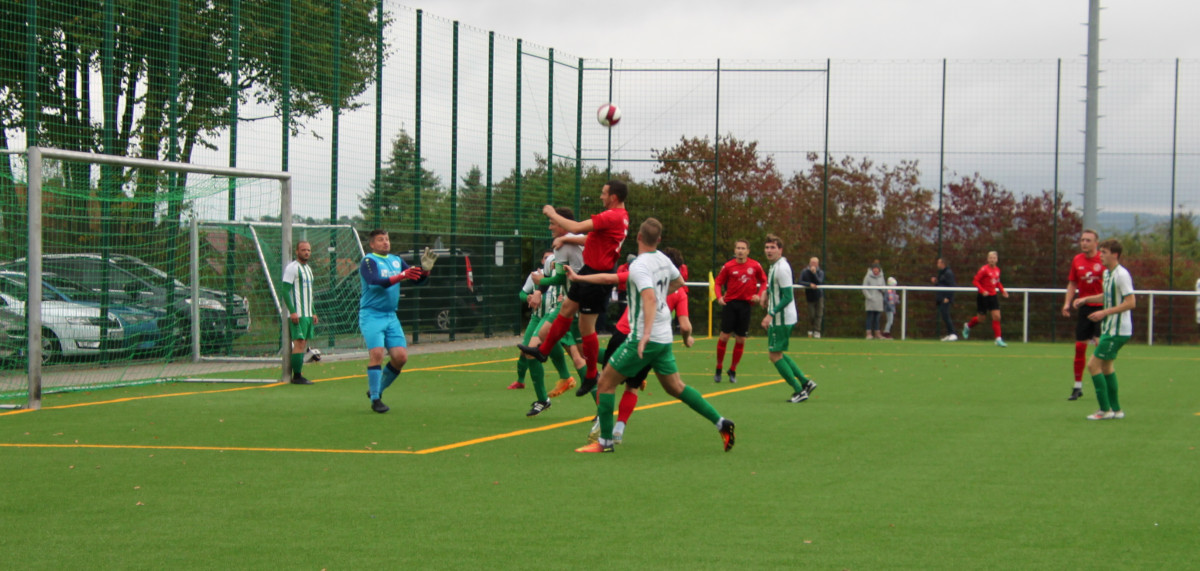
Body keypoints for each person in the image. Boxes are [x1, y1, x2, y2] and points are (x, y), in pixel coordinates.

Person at [573, 218, 734, 453]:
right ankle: (722, 423)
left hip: (643, 338)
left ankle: (605, 442)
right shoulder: (663, 260)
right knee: (675, 387)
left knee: (605, 383)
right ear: (658, 240)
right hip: (663, 336)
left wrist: (645, 332)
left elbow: (648, 298)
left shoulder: (639, 265)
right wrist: (579, 278)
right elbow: (679, 281)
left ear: (638, 237)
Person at [518, 180, 630, 398]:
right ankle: (543, 351)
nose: (601, 196)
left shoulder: (612, 216)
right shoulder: (620, 218)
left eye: (604, 193)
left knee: (585, 328)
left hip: (596, 277)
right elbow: (590, 237)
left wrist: (552, 213)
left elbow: (577, 227)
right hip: (588, 271)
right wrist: (566, 237)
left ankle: (591, 375)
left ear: (614, 197)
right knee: (567, 308)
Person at [580, 247, 693, 445]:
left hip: (625, 332)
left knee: (606, 383)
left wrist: (580, 278)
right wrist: (687, 339)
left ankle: (600, 422)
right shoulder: (678, 292)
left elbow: (610, 278)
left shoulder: (643, 274)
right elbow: (684, 325)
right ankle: (619, 429)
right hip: (650, 343)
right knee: (632, 388)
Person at [358, 230, 436, 413]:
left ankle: (376, 390)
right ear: (372, 244)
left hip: (390, 316)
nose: (385, 242)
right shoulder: (368, 261)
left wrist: (425, 271)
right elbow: (375, 282)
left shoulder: (396, 259)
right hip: (372, 315)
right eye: (380, 240)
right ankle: (376, 400)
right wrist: (402, 275)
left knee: (400, 357)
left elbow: (416, 280)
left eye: (387, 239)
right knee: (377, 354)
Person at [519, 208, 587, 416]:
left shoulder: (564, 244)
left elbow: (557, 279)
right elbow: (540, 284)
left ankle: (574, 380)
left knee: (582, 356)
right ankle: (543, 398)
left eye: (552, 222)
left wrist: (542, 282)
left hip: (574, 302)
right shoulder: (573, 241)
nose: (549, 227)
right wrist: (537, 291)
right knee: (534, 348)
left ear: (563, 222)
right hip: (565, 305)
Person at [1072, 239, 1135, 421]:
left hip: (1118, 331)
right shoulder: (1108, 273)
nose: (1101, 255)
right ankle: (1116, 410)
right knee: (1106, 366)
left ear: (1115, 254)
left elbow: (1131, 302)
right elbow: (1108, 296)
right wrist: (1086, 299)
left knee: (1093, 365)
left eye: (1104, 252)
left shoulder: (1122, 275)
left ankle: (1104, 410)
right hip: (1110, 328)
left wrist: (1104, 312)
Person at [761, 234, 818, 403]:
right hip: (779, 317)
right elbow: (773, 286)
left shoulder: (782, 268)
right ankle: (806, 382)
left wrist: (770, 314)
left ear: (780, 250)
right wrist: (765, 292)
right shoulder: (774, 266)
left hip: (781, 318)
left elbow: (787, 296)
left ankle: (799, 390)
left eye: (773, 247)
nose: (769, 251)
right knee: (777, 353)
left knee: (774, 355)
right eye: (767, 247)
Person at [713, 239, 767, 383]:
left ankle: (733, 370)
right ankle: (718, 368)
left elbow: (764, 281)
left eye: (743, 248)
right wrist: (719, 297)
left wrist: (759, 294)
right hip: (730, 304)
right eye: (738, 248)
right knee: (724, 337)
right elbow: (718, 282)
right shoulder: (728, 266)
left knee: (741, 339)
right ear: (735, 250)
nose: (740, 250)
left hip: (745, 306)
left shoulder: (755, 265)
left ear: (748, 251)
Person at [1060, 229, 1103, 401]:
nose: (1084, 243)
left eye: (1088, 240)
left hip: (1102, 308)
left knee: (1100, 346)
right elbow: (1072, 283)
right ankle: (1077, 386)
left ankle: (1103, 384)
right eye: (1082, 240)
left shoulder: (1103, 260)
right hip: (1084, 310)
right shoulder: (1077, 260)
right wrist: (1067, 303)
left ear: (1096, 243)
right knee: (1079, 347)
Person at [281, 240, 318, 384]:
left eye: (308, 250)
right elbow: (284, 290)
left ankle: (298, 374)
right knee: (299, 343)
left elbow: (310, 293)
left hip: (308, 314)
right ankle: (297, 376)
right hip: (298, 314)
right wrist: (292, 311)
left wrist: (313, 312)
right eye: (303, 250)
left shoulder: (308, 269)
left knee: (304, 344)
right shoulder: (292, 268)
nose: (306, 252)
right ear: (297, 251)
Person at [962, 251, 1009, 347]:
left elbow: (997, 282)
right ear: (988, 259)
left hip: (993, 296)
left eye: (994, 258)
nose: (992, 260)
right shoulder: (984, 269)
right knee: (981, 319)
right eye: (990, 258)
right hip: (983, 297)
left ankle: (998, 339)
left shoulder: (997, 270)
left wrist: (1002, 290)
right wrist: (982, 290)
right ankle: (968, 326)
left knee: (997, 316)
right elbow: (975, 281)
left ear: (997, 259)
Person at [797, 257, 825, 338]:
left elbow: (819, 281)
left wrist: (814, 273)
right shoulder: (804, 271)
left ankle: (817, 331)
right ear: (809, 263)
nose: (813, 264)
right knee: (811, 315)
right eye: (812, 262)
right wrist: (809, 285)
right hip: (809, 296)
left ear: (818, 264)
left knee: (819, 314)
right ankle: (810, 330)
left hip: (819, 296)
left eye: (815, 263)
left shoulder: (820, 272)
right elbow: (800, 281)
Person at [931, 258, 957, 341]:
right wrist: (936, 282)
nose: (937, 264)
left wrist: (948, 298)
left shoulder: (948, 273)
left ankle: (953, 333)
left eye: (938, 262)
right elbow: (941, 285)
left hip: (945, 299)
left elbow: (952, 286)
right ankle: (950, 334)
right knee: (944, 315)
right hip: (941, 298)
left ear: (943, 264)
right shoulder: (942, 273)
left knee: (946, 315)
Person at [862, 263, 885, 339]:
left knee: (877, 318)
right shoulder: (867, 277)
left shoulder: (881, 277)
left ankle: (877, 334)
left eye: (877, 270)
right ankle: (868, 334)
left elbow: (884, 288)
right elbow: (864, 288)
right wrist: (869, 297)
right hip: (871, 301)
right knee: (870, 317)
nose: (876, 271)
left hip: (879, 300)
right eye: (874, 270)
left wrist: (881, 288)